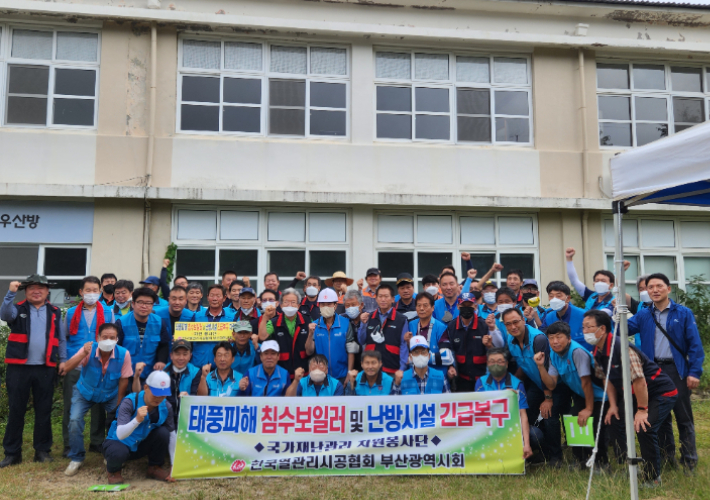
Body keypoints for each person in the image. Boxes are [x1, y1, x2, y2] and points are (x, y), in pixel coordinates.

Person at [584, 310, 678, 487]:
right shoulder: (597, 350)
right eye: (583, 327)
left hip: (660, 392)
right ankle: (628, 464)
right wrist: (612, 405)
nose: (585, 331)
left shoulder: (622, 349)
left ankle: (652, 477)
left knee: (644, 427)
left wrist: (642, 410)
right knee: (614, 419)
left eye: (589, 327)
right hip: (633, 393)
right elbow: (607, 379)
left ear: (602, 329)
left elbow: (640, 381)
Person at [627, 273, 705, 473]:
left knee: (683, 417)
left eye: (658, 286)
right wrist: (612, 316)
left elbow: (695, 345)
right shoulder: (644, 313)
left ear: (668, 289)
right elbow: (625, 328)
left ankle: (689, 460)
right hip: (654, 372)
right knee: (661, 417)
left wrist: (694, 372)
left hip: (676, 369)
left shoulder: (683, 313)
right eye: (649, 287)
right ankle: (667, 456)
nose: (654, 290)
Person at [0, 275, 66, 468]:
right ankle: (12, 454)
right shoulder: (17, 308)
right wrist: (10, 293)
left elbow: (61, 339)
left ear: (47, 292)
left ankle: (42, 451)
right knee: (16, 410)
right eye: (32, 288)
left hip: (45, 367)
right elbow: (4, 315)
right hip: (18, 368)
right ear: (25, 291)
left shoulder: (55, 312)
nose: (36, 291)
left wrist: (62, 360)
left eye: (41, 288)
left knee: (44, 410)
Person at [489, 308, 562, 466]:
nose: (513, 326)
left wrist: (548, 398)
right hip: (536, 383)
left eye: (516, 322)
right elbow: (523, 363)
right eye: (508, 324)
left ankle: (556, 458)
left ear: (523, 319)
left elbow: (548, 369)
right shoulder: (511, 339)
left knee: (549, 415)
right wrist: (511, 385)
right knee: (526, 410)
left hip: (554, 385)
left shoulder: (538, 339)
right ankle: (542, 452)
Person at [535, 321, 611, 469]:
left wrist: (588, 408)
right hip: (584, 395)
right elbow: (551, 384)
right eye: (551, 338)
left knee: (594, 425)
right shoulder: (553, 355)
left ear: (568, 338)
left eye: (559, 337)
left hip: (601, 395)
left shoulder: (577, 352)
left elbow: (587, 382)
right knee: (573, 419)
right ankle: (580, 460)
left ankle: (602, 463)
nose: (555, 341)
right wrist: (540, 366)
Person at [63, 323, 132, 476]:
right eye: (105, 337)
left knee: (119, 422)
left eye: (112, 338)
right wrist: (82, 354)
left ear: (117, 339)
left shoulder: (123, 354)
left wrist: (119, 405)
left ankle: (112, 454)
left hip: (110, 394)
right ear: (98, 338)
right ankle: (76, 457)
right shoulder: (88, 349)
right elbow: (66, 368)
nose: (108, 340)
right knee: (74, 420)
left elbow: (124, 380)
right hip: (85, 392)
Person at [62, 276, 115, 457]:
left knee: (99, 407)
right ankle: (69, 443)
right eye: (88, 290)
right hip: (75, 365)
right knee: (70, 405)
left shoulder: (108, 312)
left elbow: (112, 337)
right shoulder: (70, 313)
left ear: (100, 292)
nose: (91, 294)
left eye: (95, 290)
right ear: (81, 292)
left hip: (97, 366)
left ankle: (96, 441)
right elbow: (65, 338)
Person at [103, 371, 175, 484]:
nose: (159, 398)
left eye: (163, 394)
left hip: (140, 445)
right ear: (146, 388)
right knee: (118, 451)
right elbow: (120, 434)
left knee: (164, 432)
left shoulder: (166, 406)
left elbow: (172, 436)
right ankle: (113, 471)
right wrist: (136, 420)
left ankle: (154, 467)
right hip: (119, 442)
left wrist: (173, 465)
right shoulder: (129, 402)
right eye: (156, 393)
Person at [475, 347, 536, 461]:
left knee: (536, 435)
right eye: (492, 361)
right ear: (487, 364)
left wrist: (526, 444)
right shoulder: (481, 383)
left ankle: (526, 455)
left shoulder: (517, 384)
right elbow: (479, 411)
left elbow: (523, 415)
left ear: (507, 364)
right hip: (489, 427)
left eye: (499, 361)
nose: (496, 364)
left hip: (511, 428)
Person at [115, 287, 171, 385]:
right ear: (133, 304)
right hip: (126, 374)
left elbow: (164, 345)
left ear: (153, 305)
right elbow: (116, 348)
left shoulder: (159, 322)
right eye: (140, 302)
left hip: (151, 374)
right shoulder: (121, 322)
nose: (144, 306)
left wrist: (161, 361)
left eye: (148, 303)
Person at [159, 339, 201, 460]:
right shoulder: (163, 372)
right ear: (171, 356)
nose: (181, 357)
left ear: (190, 356)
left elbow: (195, 396)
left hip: (186, 416)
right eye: (177, 354)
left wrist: (188, 398)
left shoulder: (196, 372)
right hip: (167, 416)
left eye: (185, 354)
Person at [306, 288, 358, 385]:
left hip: (342, 376)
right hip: (320, 377)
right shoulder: (314, 325)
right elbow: (309, 352)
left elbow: (351, 351)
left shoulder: (345, 323)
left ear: (335, 305)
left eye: (329, 304)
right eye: (323, 304)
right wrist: (310, 334)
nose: (326, 307)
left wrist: (349, 372)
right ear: (319, 306)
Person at [441, 292, 490, 392]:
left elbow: (493, 350)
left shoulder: (484, 325)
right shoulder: (451, 326)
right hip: (461, 380)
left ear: (475, 306)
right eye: (463, 305)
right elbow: (447, 348)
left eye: (470, 305)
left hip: (483, 380)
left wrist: (489, 345)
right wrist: (450, 366)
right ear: (458, 306)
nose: (466, 308)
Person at [358, 284, 410, 375]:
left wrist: (402, 369)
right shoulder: (369, 317)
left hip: (393, 370)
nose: (383, 299)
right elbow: (361, 341)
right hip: (371, 370)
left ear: (393, 299)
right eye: (380, 296)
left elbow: (403, 346)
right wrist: (362, 324)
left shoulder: (401, 319)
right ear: (376, 299)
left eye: (386, 296)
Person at [258, 288, 311, 377]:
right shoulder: (274, 322)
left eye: (293, 302)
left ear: (298, 305)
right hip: (281, 374)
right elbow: (262, 337)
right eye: (286, 302)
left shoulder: (307, 320)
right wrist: (265, 317)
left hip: (303, 373)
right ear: (281, 305)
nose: (289, 305)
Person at [192, 284, 236, 369]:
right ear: (207, 297)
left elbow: (238, 339)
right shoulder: (196, 316)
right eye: (212, 295)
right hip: (198, 364)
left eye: (218, 296)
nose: (215, 299)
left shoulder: (232, 318)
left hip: (222, 365)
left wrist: (234, 339)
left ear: (224, 298)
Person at [408, 292, 452, 374]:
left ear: (433, 308)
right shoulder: (411, 325)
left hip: (436, 375)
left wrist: (418, 358)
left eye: (425, 305)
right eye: (418, 305)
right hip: (414, 375)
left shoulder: (441, 327)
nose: (421, 308)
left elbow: (447, 357)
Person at [540, 281, 590, 350]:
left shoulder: (583, 316)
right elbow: (541, 335)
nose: (554, 299)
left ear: (568, 298)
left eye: (558, 296)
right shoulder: (549, 317)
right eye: (551, 296)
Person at [565, 248, 615, 314]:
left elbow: (601, 315)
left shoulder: (614, 301)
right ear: (593, 284)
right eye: (597, 281)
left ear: (611, 285)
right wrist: (569, 259)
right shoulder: (591, 296)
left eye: (603, 281)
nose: (599, 283)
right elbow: (574, 280)